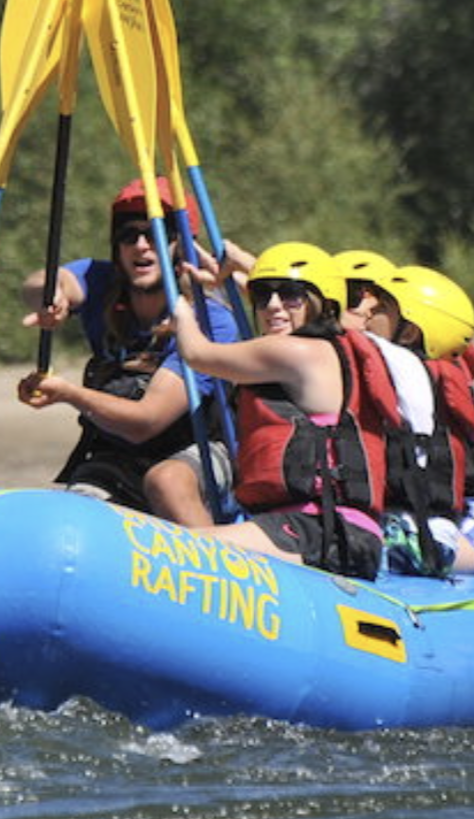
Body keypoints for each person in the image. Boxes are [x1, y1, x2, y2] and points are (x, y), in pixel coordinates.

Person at [16, 179, 241, 526]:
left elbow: (145, 421)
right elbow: (38, 284)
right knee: (73, 512)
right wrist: (52, 296)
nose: (141, 246)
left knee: (166, 483)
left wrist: (69, 394)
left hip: (200, 452)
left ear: (182, 245)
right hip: (119, 456)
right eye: (128, 235)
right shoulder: (101, 281)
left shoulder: (212, 321)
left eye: (156, 234)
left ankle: (218, 558)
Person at [168, 242, 401, 578]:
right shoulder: (338, 346)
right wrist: (237, 265)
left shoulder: (297, 353)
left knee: (180, 549)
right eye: (262, 295)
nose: (273, 305)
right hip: (332, 530)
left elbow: (197, 354)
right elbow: (298, 295)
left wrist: (182, 308)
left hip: (323, 530)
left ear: (322, 302)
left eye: (291, 294)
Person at [371, 263, 474, 579]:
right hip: (415, 515)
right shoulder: (379, 371)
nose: (367, 313)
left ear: (409, 332)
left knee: (407, 551)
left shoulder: (419, 382)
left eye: (381, 309)